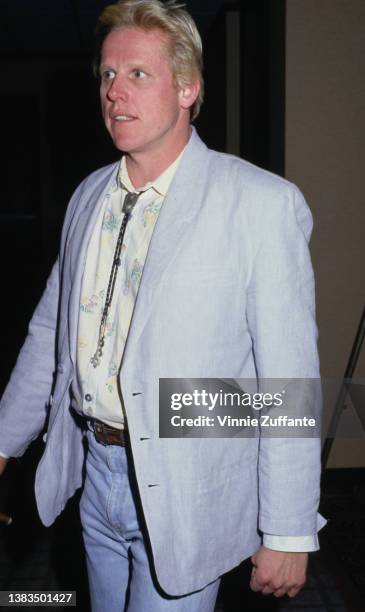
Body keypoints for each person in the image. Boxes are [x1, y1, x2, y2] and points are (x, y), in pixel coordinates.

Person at [0, 1, 326, 610]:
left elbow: (287, 381)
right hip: (91, 470)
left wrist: (288, 527)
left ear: (187, 88)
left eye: (138, 75)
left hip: (188, 490)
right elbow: (50, 335)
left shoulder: (259, 204)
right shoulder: (88, 195)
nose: (115, 93)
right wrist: (3, 439)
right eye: (106, 75)